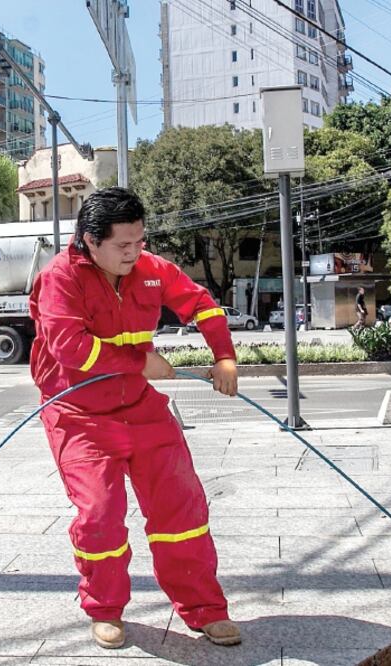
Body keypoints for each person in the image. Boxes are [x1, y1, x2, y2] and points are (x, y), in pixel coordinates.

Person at [29, 187, 242, 649]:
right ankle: (104, 610)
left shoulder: (150, 270)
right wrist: (138, 363)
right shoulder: (59, 278)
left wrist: (224, 357)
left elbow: (202, 304)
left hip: (141, 409)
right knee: (100, 514)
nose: (134, 252)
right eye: (123, 245)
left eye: (139, 241)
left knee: (182, 507)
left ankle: (205, 609)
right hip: (78, 414)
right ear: (90, 241)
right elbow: (69, 348)